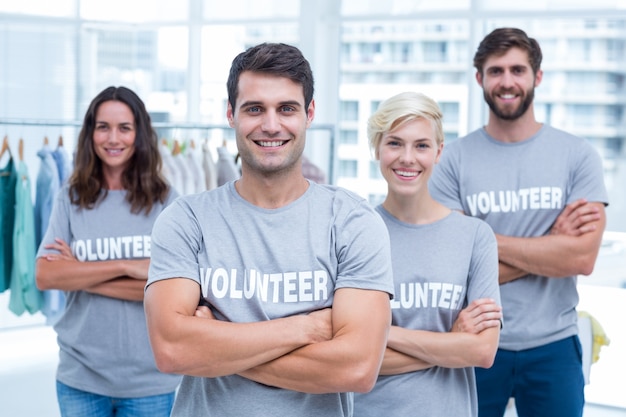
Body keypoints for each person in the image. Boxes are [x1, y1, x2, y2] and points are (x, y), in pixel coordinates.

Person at [143, 42, 395, 417]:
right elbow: (173, 351)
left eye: (287, 108)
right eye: (255, 109)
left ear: (309, 113)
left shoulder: (353, 222)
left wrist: (217, 346)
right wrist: (306, 329)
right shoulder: (186, 220)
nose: (271, 125)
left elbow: (356, 368)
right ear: (231, 114)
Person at [429, 27, 608, 417]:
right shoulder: (451, 160)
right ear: (479, 78)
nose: (506, 82)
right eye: (495, 71)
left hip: (554, 346)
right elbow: (452, 266)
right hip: (474, 342)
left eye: (517, 70)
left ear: (536, 77)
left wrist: (481, 244)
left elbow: (581, 259)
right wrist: (550, 242)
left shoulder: (577, 155)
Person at [352, 91, 502, 417]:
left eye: (421, 145)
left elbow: (482, 349)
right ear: (376, 148)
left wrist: (382, 334)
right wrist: (450, 342)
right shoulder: (353, 233)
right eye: (394, 143)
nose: (408, 157)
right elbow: (349, 357)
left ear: (438, 152)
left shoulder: (475, 236)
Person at [35, 86, 181, 417]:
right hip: (80, 377)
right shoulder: (70, 197)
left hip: (150, 380)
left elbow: (169, 292)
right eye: (103, 127)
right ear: (91, 133)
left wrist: (78, 272)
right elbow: (46, 275)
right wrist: (130, 266)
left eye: (124, 128)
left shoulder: (166, 200)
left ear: (139, 134)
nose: (112, 138)